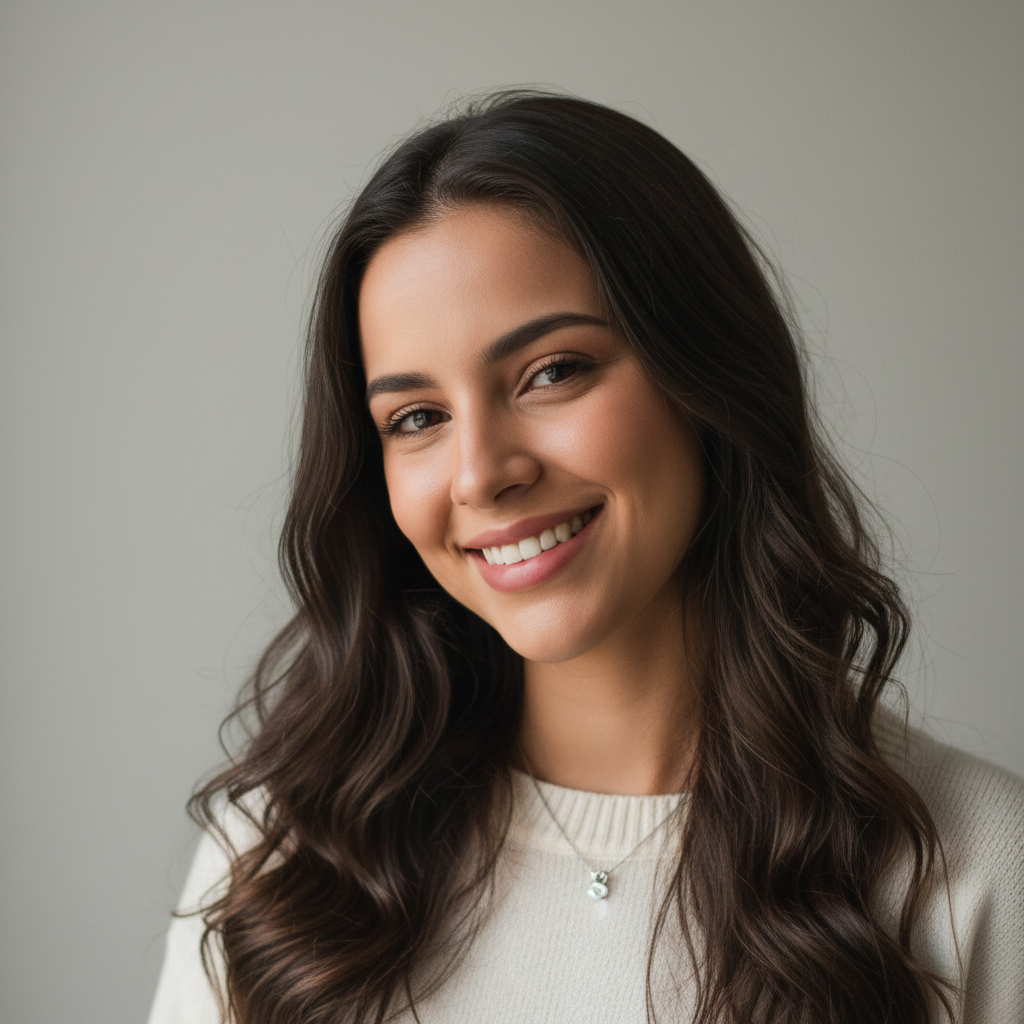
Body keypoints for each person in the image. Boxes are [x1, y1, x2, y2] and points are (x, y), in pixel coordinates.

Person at [148, 91, 1024, 1024]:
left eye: (553, 371)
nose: (482, 474)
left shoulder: (978, 869)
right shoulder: (286, 862)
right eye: (417, 419)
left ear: (707, 373)